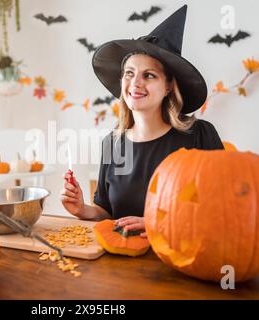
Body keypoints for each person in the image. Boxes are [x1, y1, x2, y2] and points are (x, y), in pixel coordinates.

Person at [60, 5, 224, 237]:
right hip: (120, 262)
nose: (135, 83)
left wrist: (160, 224)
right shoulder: (113, 143)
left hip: (181, 261)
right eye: (129, 73)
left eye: (149, 75)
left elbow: (221, 208)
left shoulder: (200, 136)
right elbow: (107, 211)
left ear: (168, 86)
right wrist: (83, 209)